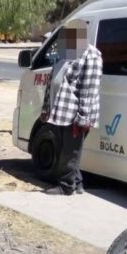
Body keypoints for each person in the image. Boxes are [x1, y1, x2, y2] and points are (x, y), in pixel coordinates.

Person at [41, 20, 102, 196]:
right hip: (59, 111)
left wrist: (82, 117)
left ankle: (66, 186)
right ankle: (77, 183)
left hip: (75, 113)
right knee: (64, 149)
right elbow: (53, 81)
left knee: (70, 151)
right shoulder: (66, 52)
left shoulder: (91, 55)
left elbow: (88, 90)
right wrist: (46, 108)